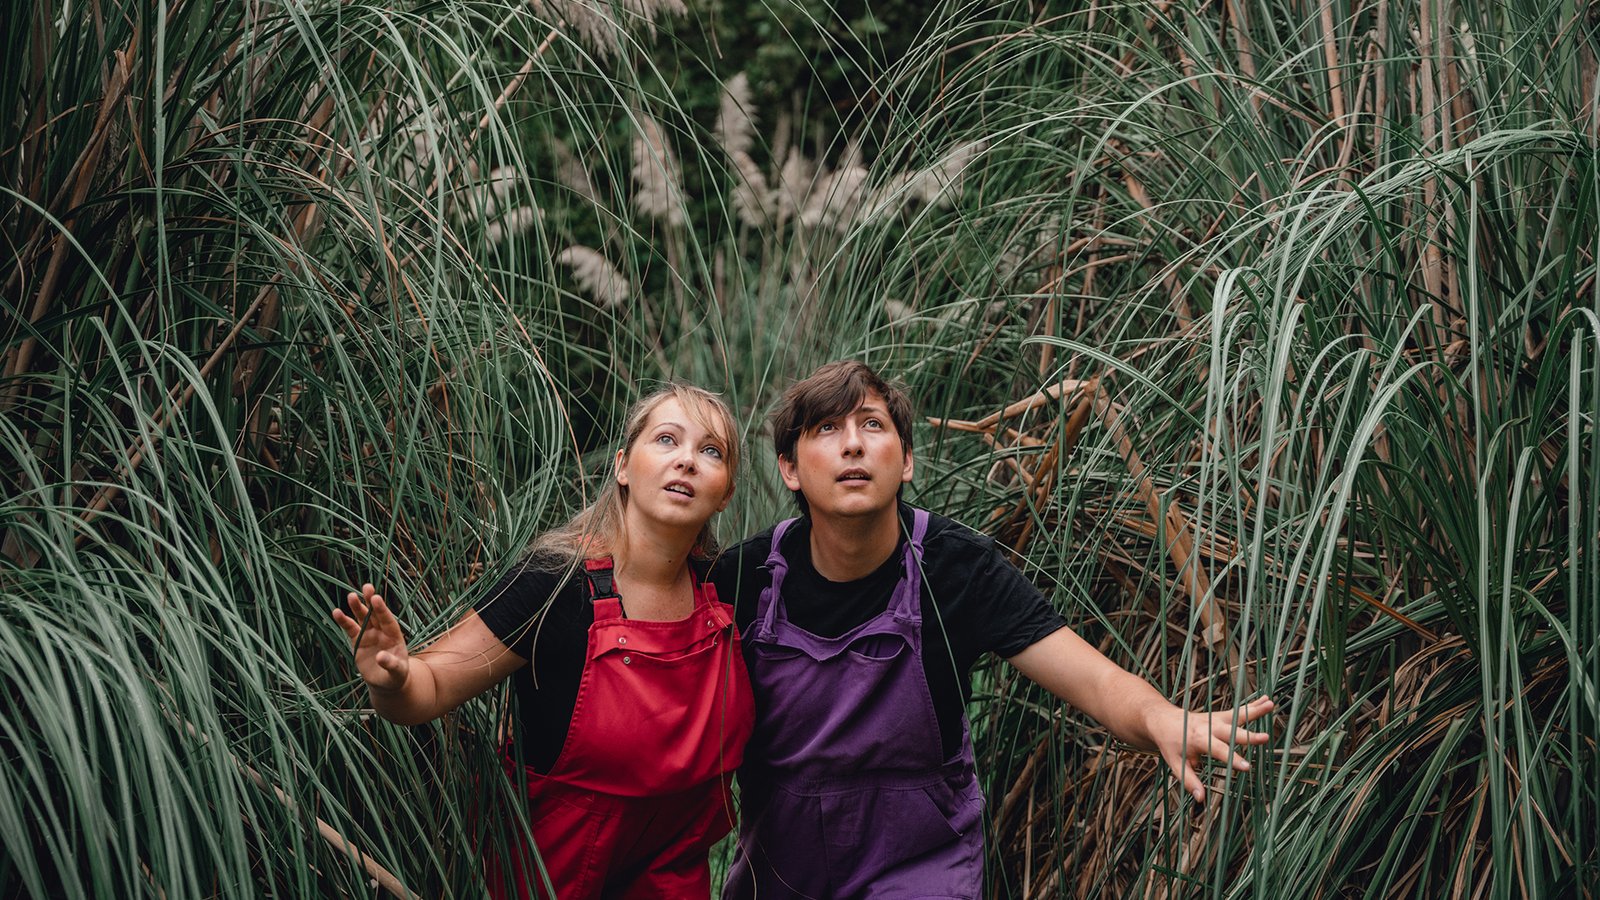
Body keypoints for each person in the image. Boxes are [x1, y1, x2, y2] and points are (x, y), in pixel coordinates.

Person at [715, 361, 1274, 899]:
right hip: (780, 872)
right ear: (789, 468)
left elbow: (1097, 681)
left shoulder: (958, 569)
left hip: (917, 867)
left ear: (906, 461)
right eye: (827, 428)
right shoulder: (744, 579)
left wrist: (1160, 717)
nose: (853, 444)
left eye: (873, 425)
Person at [331, 384, 753, 900]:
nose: (686, 460)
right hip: (545, 878)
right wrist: (392, 679)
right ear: (623, 467)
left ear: (726, 492)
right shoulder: (553, 583)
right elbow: (430, 686)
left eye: (711, 451)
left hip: (672, 882)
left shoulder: (731, 588)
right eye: (667, 439)